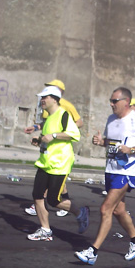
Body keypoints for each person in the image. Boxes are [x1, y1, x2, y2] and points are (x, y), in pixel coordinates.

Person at [75, 87, 135, 265]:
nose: (111, 104)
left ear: (126, 102)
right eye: (111, 101)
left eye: (114, 101)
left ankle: (93, 252)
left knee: (106, 209)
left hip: (126, 172)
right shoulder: (111, 119)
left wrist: (132, 149)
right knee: (119, 210)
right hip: (111, 170)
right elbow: (112, 143)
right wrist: (100, 142)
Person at [23, 85, 88, 241]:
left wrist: (53, 135)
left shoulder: (63, 114)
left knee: (54, 200)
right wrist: (39, 141)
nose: (42, 101)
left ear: (54, 99)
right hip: (45, 162)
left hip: (60, 163)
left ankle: (80, 212)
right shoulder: (48, 118)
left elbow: (74, 134)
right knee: (37, 195)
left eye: (44, 98)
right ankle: (45, 229)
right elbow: (49, 140)